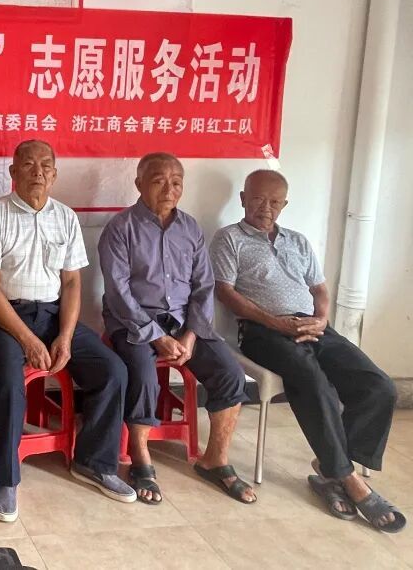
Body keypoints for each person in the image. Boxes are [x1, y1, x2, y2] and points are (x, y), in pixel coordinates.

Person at [212, 169, 404, 532]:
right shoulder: (229, 239)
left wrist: (321, 319)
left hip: (313, 327)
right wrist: (275, 323)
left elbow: (319, 289)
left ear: (284, 205)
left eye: (274, 202)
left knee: (379, 386)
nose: (265, 208)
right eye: (258, 199)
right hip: (262, 332)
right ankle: (349, 480)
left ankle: (332, 469)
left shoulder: (298, 241)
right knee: (314, 383)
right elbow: (226, 293)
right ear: (243, 199)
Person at [0, 140, 135, 522]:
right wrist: (27, 339)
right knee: (9, 377)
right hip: (3, 315)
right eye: (28, 164)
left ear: (55, 174)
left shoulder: (66, 217)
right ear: (13, 173)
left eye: (45, 165)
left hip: (52, 314)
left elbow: (73, 283)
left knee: (112, 370)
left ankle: (93, 463)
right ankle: (5, 478)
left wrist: (65, 335)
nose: (38, 171)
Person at [99, 152, 254, 505]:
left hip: (185, 323)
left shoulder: (190, 228)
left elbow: (204, 287)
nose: (169, 190)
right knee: (142, 374)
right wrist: (157, 337)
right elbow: (118, 294)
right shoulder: (120, 228)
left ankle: (215, 460)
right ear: (139, 184)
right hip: (134, 322)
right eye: (158, 181)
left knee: (230, 374)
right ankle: (140, 457)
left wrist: (190, 335)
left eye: (176, 182)